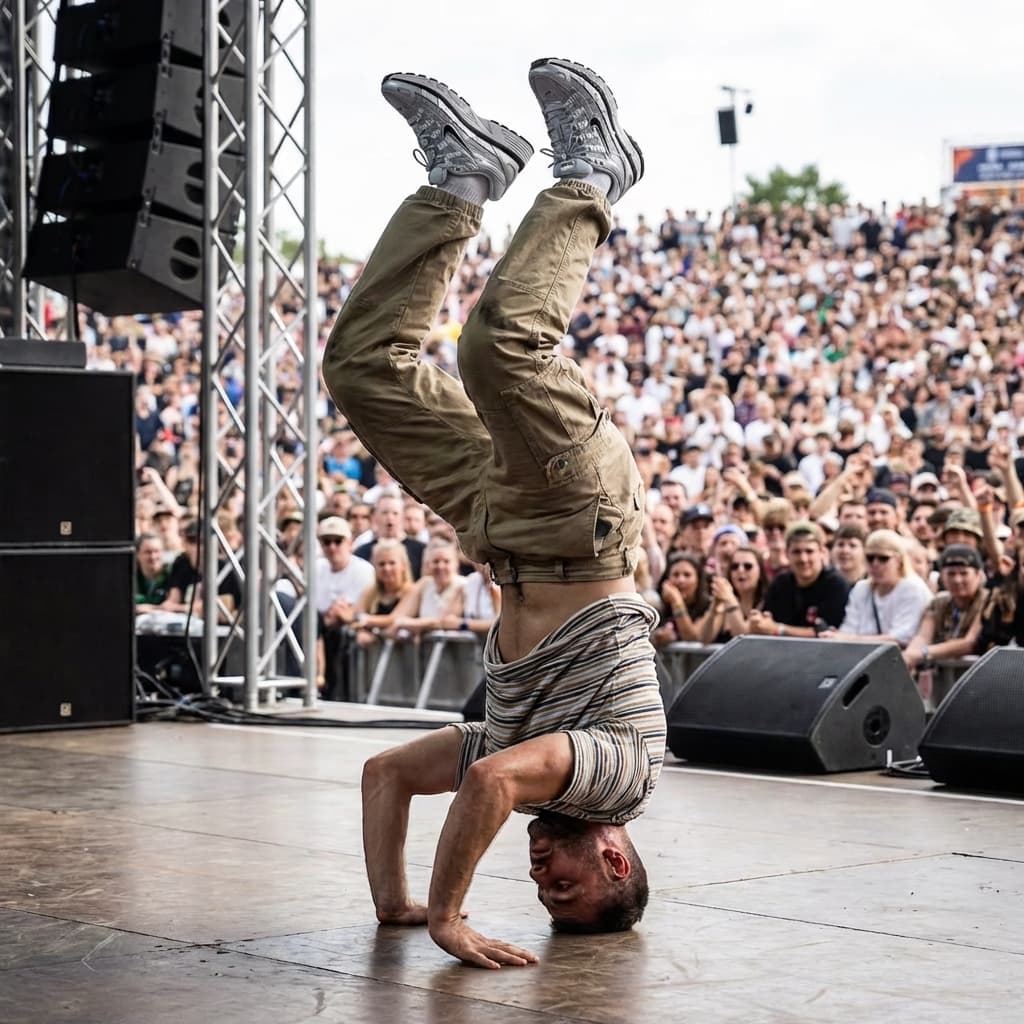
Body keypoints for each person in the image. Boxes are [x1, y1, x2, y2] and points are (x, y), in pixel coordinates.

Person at [322, 60, 664, 968]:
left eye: (540, 889)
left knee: (362, 366)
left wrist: (394, 902)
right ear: (616, 856)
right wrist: (447, 915)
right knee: (501, 342)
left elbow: (386, 775)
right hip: (578, 514)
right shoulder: (619, 778)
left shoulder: (521, 746)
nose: (544, 874)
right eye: (567, 884)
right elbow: (489, 782)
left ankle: (464, 178)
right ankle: (594, 175)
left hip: (498, 525)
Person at [824, 530, 932, 648]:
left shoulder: (912, 588)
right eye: (870, 558)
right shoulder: (861, 589)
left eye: (883, 558)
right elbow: (849, 628)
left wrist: (848, 639)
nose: (875, 564)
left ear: (899, 560)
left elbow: (901, 638)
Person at [749, 521, 851, 637]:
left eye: (809, 551)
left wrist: (779, 629)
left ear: (822, 552)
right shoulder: (780, 584)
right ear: (787, 554)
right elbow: (767, 623)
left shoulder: (835, 584)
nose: (803, 559)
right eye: (796, 552)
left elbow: (827, 633)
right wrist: (759, 622)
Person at [315, 515, 376, 700]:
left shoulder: (363, 569)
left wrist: (336, 614)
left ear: (349, 542)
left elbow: (352, 611)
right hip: (322, 629)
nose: (332, 547)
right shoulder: (317, 567)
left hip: (348, 631)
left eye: (337, 541)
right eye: (326, 541)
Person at [699, 544, 767, 643]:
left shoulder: (767, 601)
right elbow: (704, 639)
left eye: (748, 566)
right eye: (734, 567)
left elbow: (743, 641)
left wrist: (730, 600)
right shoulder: (725, 601)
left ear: (760, 571)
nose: (740, 570)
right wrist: (714, 608)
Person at [652, 551, 712, 646]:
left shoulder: (708, 605)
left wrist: (677, 601)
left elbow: (691, 638)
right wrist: (658, 637)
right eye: (676, 575)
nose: (681, 580)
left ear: (698, 580)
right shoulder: (659, 607)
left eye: (687, 575)